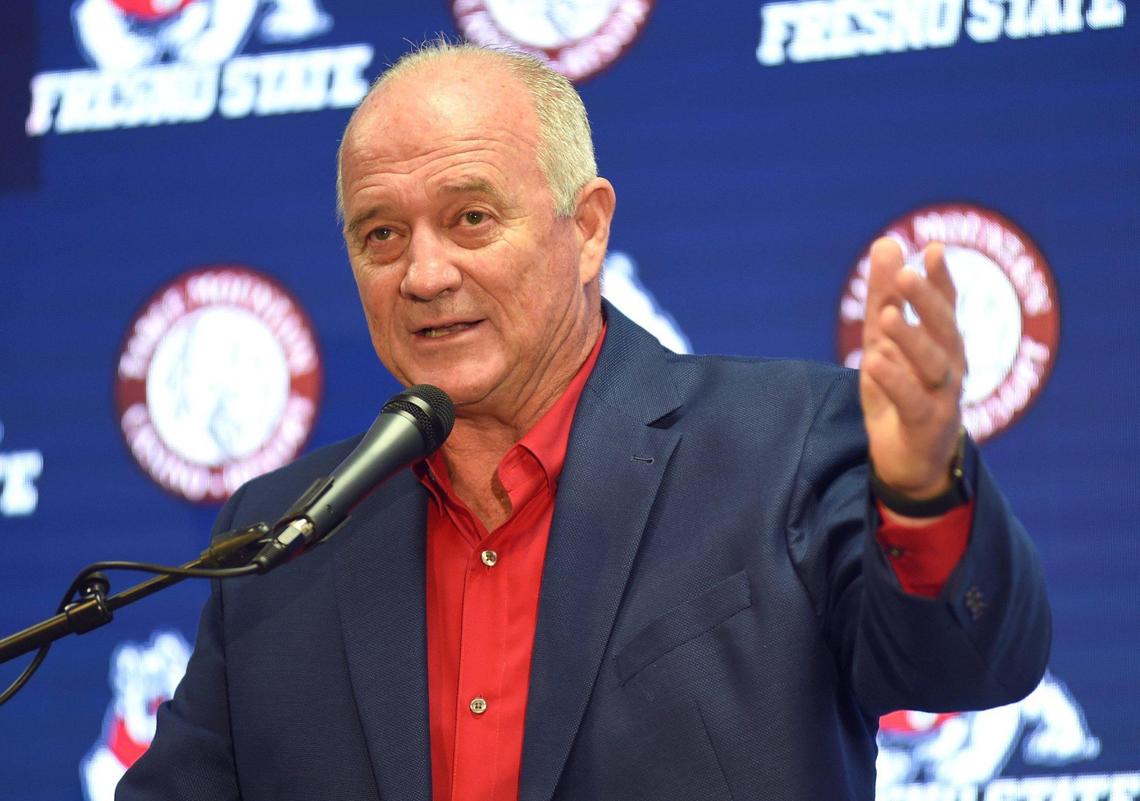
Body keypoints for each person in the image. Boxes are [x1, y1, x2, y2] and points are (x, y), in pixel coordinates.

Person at [117, 40, 1050, 801]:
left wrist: (925, 490)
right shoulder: (284, 531)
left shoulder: (782, 445)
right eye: (381, 234)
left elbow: (966, 664)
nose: (425, 273)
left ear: (588, 226)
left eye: (472, 217)